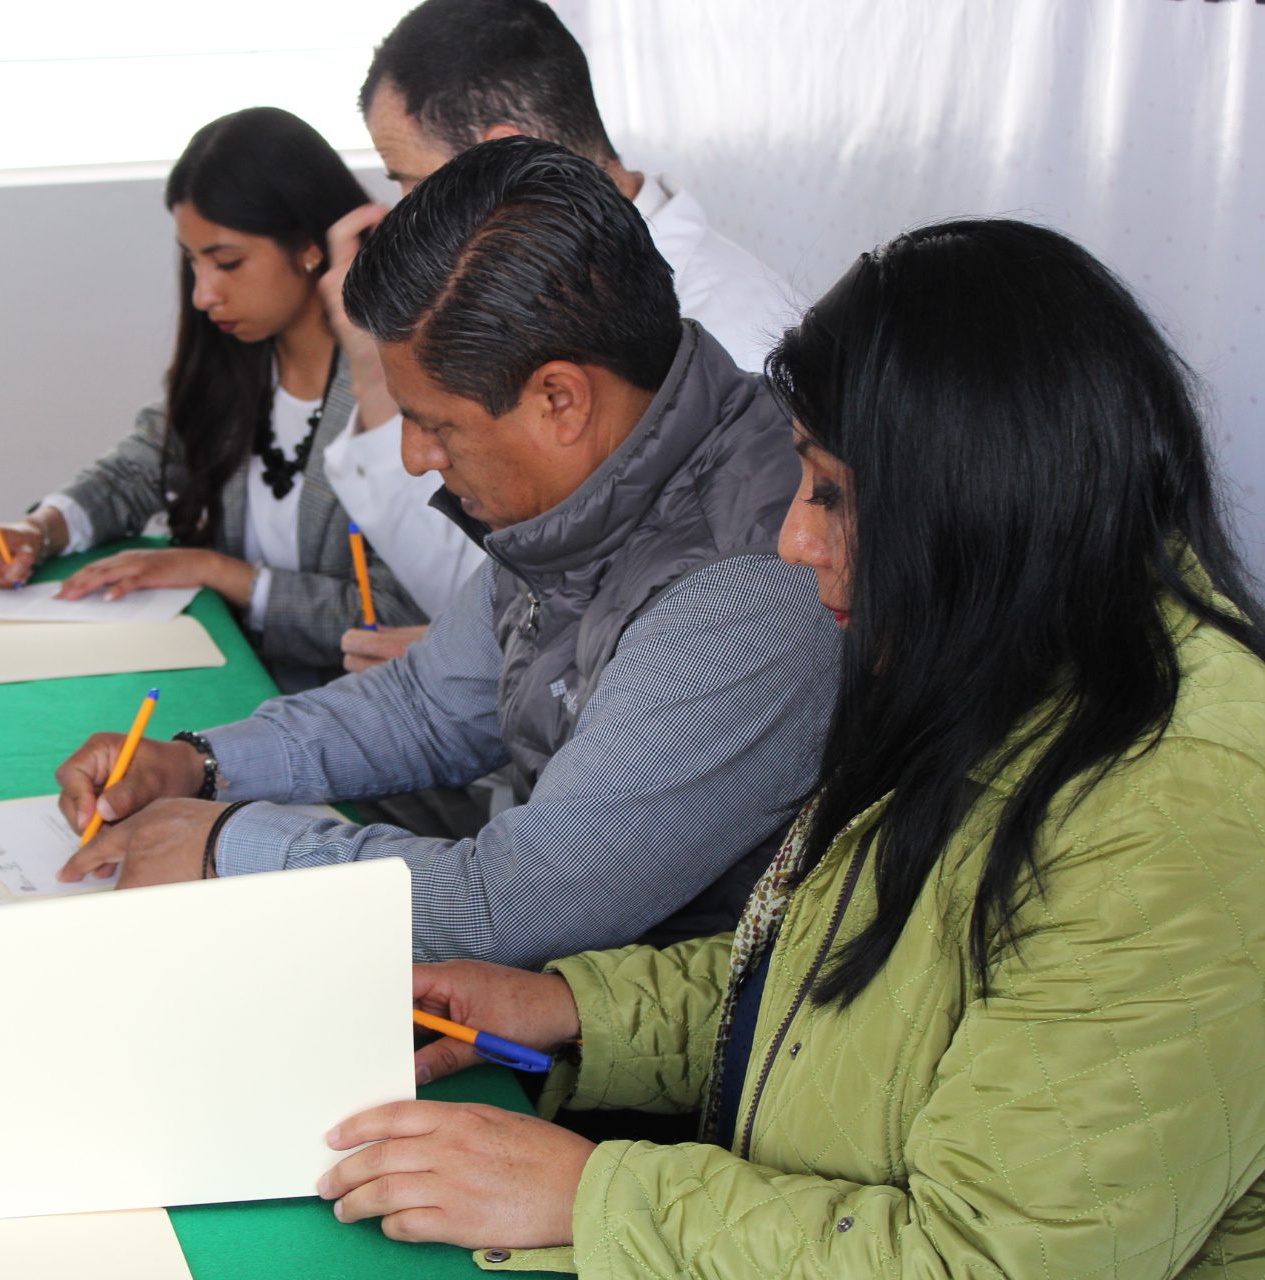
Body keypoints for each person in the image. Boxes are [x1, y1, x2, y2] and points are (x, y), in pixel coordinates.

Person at [315, 219, 1265, 1273]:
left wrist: (594, 1192)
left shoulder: (1182, 809)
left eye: (833, 493)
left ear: (980, 501)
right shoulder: (1003, 659)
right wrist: (579, 1007)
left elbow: (988, 1260)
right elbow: (861, 989)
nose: (793, 537)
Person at [54, 138, 837, 971]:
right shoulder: (599, 476)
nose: (414, 457)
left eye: (436, 424)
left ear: (559, 400)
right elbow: (429, 703)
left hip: (698, 1065)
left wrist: (229, 848)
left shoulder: (752, 582)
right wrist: (201, 764)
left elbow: (520, 904)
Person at [326, 0, 806, 672]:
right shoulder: (561, 289)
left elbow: (712, 647)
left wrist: (486, 672)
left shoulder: (739, 340)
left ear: (501, 151)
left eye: (409, 181)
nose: (403, 215)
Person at [0, 107, 422, 690]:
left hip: (357, 719)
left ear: (309, 247)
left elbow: (399, 618)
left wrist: (218, 572)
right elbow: (137, 470)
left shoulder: (392, 390)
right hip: (229, 685)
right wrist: (42, 529)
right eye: (193, 261)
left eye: (227, 262)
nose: (204, 293)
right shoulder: (237, 360)